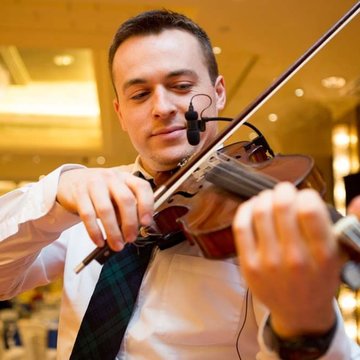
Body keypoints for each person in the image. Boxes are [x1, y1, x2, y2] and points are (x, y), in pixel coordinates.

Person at [0, 9, 359, 360]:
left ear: (218, 93)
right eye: (139, 94)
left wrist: (306, 329)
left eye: (182, 86)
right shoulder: (92, 198)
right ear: (120, 113)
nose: (163, 107)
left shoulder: (254, 211)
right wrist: (60, 190)